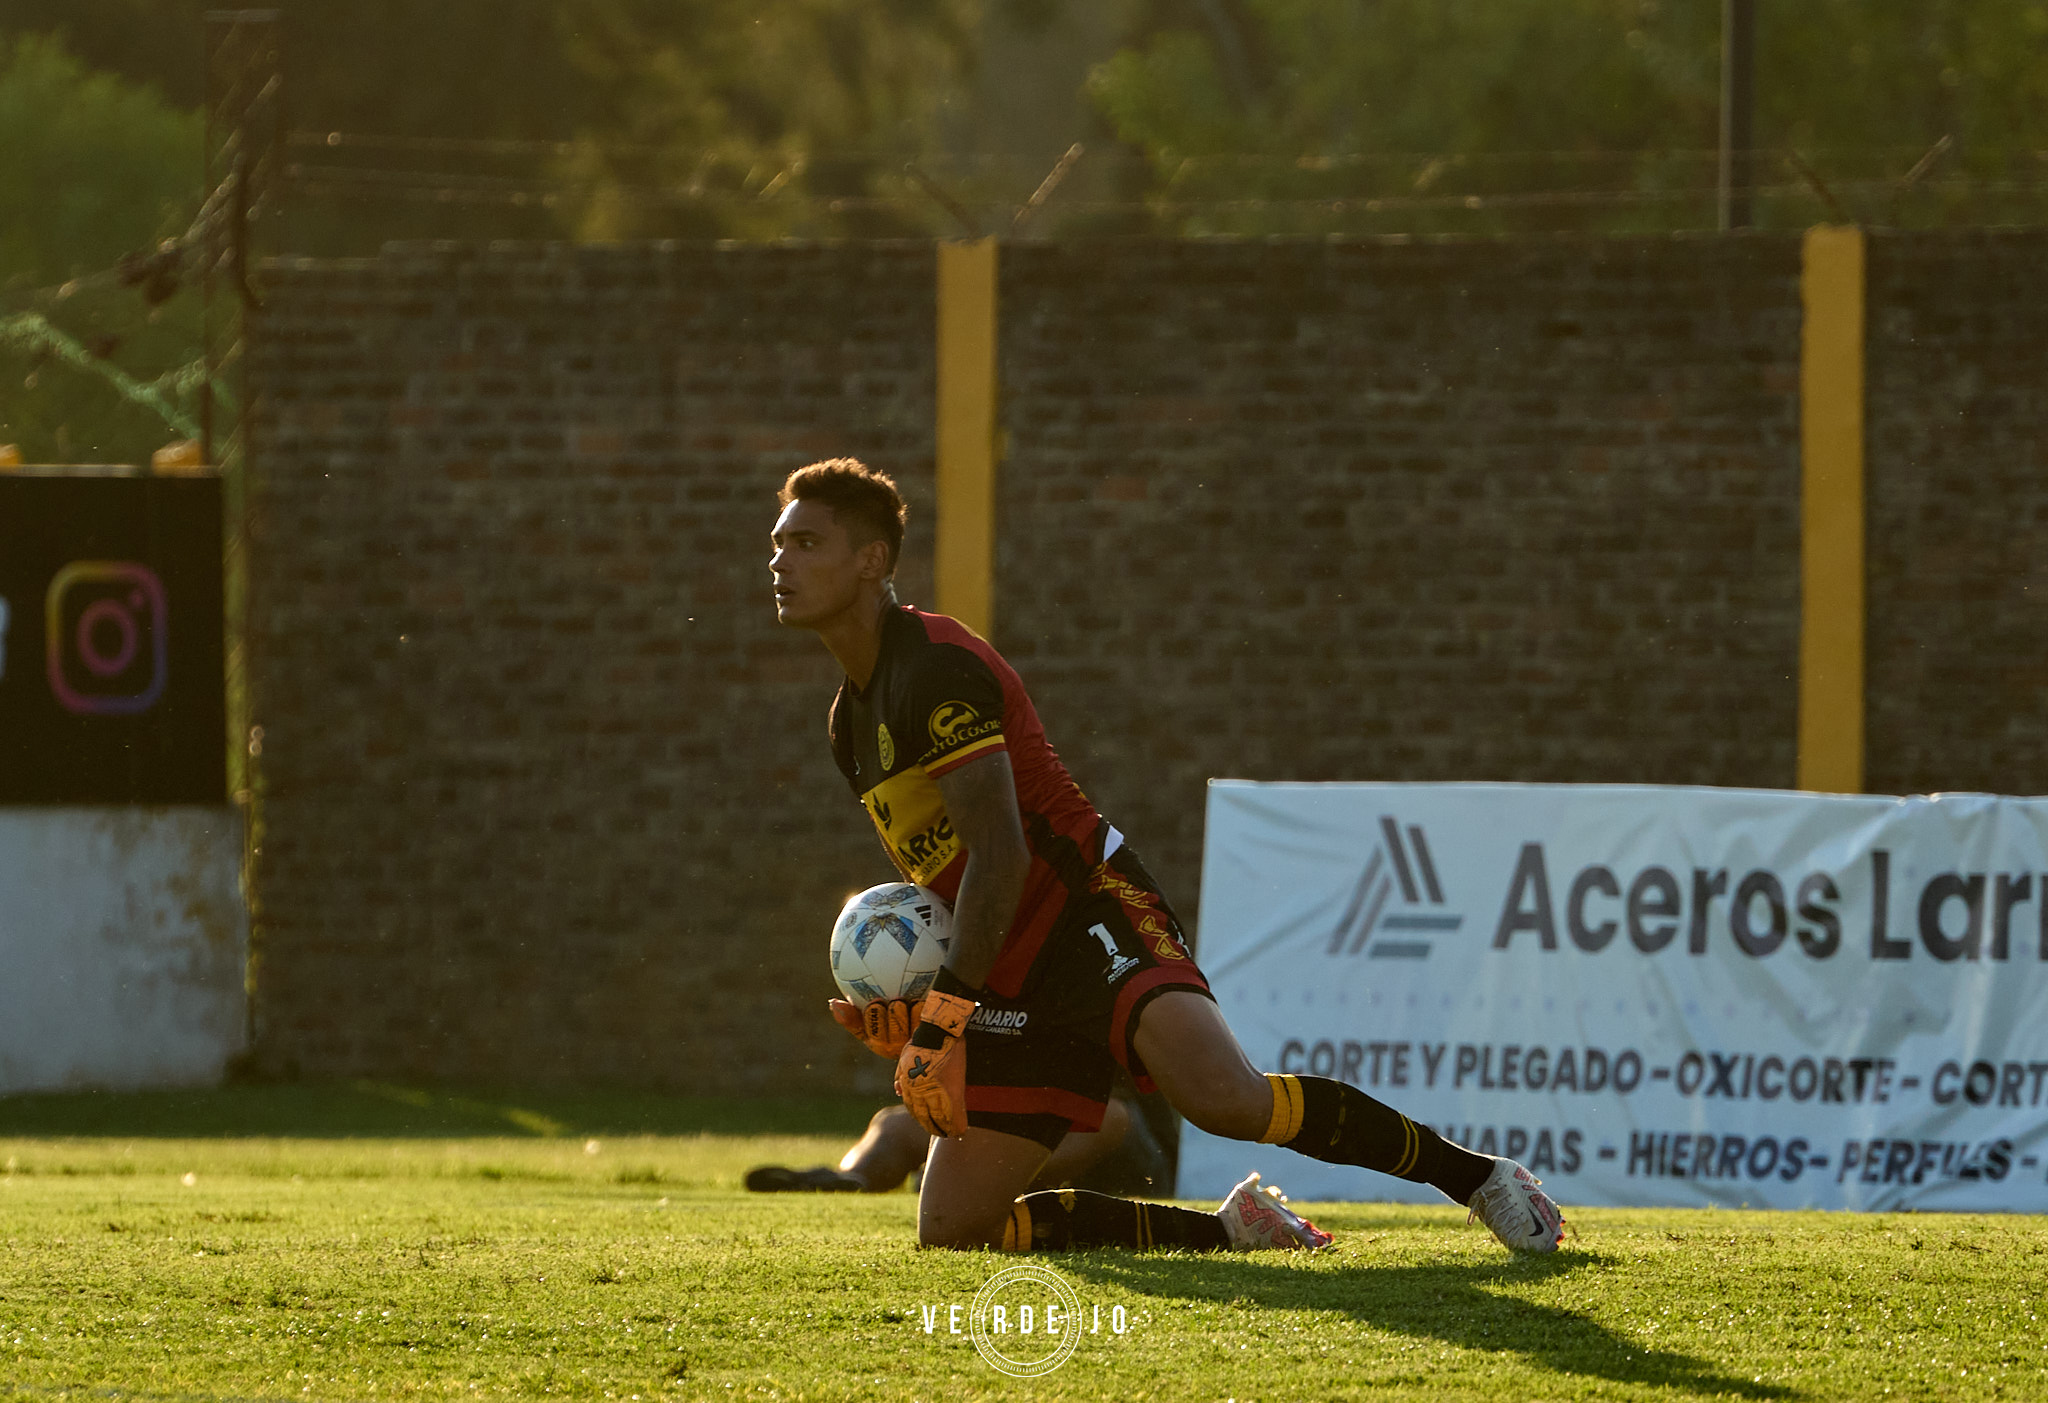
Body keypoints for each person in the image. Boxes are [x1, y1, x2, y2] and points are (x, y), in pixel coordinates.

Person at [769, 458, 1564, 1254]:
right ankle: (1232, 1229)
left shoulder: (936, 667)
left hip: (1087, 907)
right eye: (778, 544)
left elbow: (1001, 855)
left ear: (871, 560)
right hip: (1010, 965)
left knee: (1224, 1097)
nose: (780, 561)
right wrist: (914, 999)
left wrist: (939, 1024)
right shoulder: (849, 722)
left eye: (805, 542)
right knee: (954, 1228)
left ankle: (1482, 1178)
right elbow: (941, 880)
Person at [745, 1093, 1166, 1195]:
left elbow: (1112, 1116)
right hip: (1011, 1127)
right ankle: (847, 1178)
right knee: (894, 1124)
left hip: (1113, 1149)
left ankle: (972, 1179)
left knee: (1111, 1118)